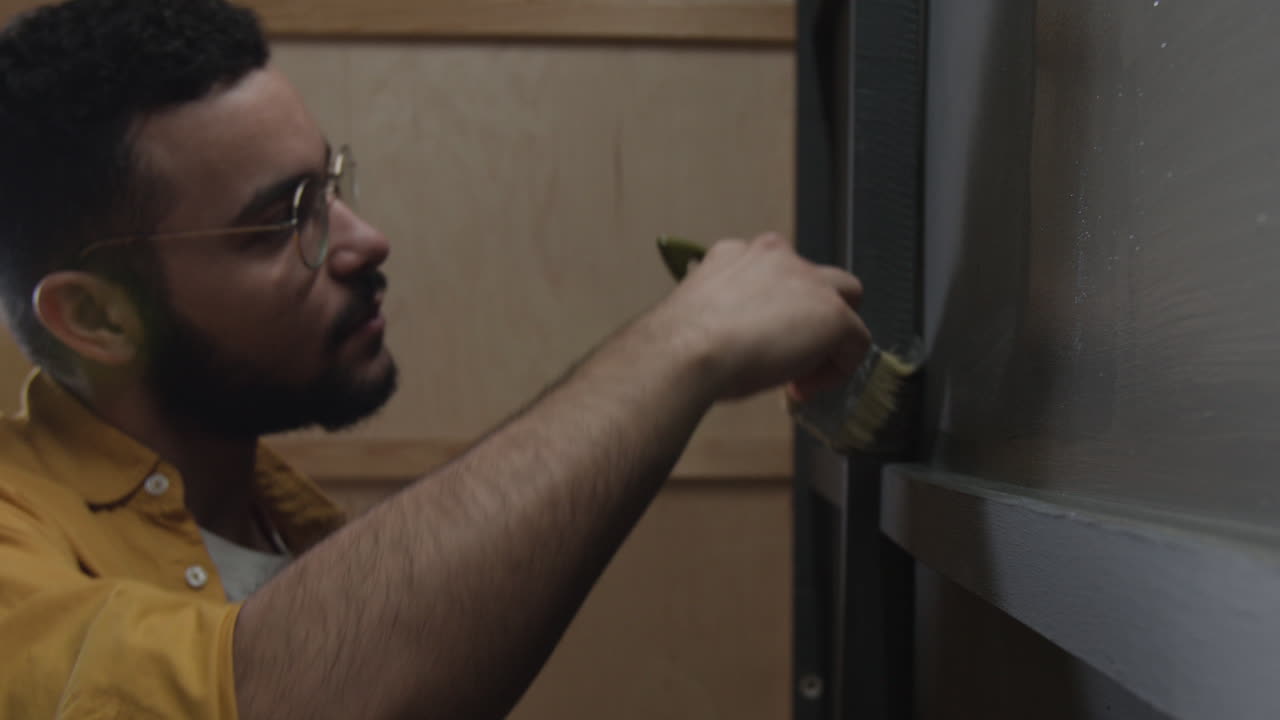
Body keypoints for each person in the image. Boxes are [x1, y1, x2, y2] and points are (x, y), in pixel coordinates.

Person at [0, 0, 870, 717]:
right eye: (279, 221)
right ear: (99, 317)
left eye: (329, 186)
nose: (365, 240)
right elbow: (263, 697)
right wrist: (687, 342)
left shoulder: (288, 526)